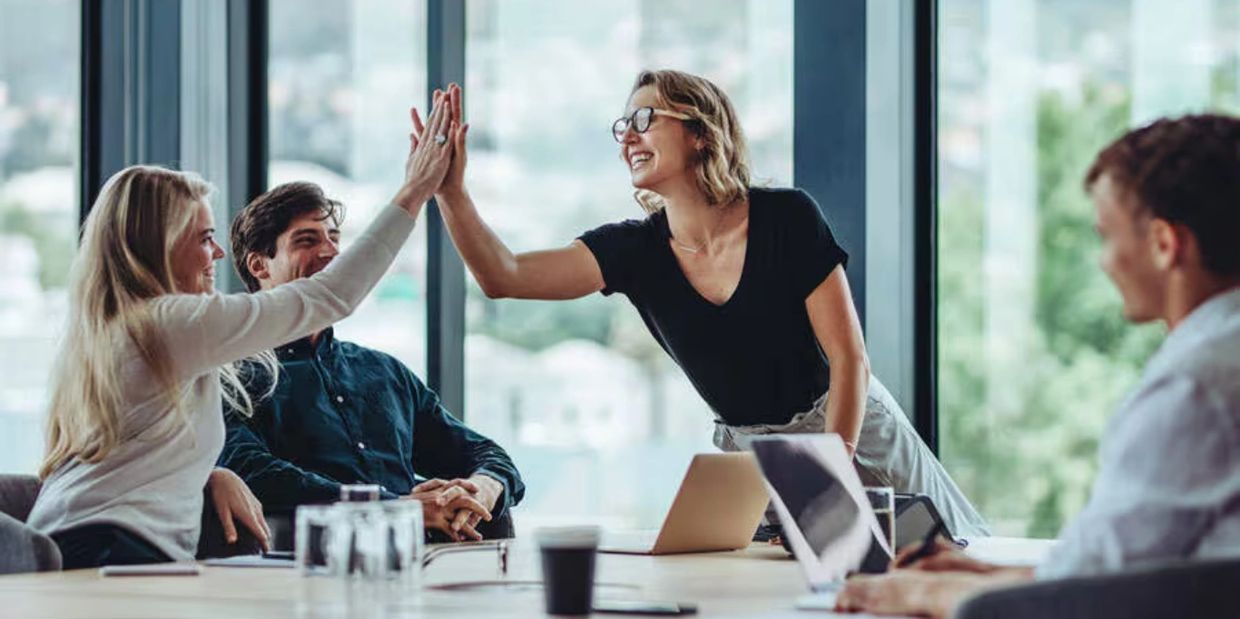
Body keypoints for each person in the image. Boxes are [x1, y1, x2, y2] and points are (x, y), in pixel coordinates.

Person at [421, 70, 988, 537]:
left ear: (700, 132)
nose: (628, 137)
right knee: (782, 591)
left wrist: (827, 471)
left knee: (952, 556)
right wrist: (451, 192)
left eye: (645, 119)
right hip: (753, 457)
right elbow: (503, 275)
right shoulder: (633, 250)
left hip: (850, 425)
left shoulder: (787, 217)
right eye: (623, 126)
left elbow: (849, 360)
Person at [25, 91, 460, 568]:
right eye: (203, 238)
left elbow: (132, 452)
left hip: (76, 542)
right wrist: (414, 192)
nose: (217, 254)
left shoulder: (115, 328)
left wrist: (210, 474)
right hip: (108, 550)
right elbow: (330, 296)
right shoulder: (167, 323)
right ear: (159, 245)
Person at [834, 114, 1240, 618]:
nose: (1104, 261)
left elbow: (1091, 598)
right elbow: (1131, 568)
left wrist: (920, 593)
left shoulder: (1197, 387)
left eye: (1107, 236)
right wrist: (988, 576)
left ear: (1164, 243)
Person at [218, 181, 525, 542]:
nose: (331, 252)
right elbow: (253, 471)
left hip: (427, 567)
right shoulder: (231, 377)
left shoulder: (383, 371)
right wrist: (394, 507)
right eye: (307, 240)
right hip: (310, 571)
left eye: (333, 238)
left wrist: (482, 489)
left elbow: (486, 454)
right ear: (259, 265)